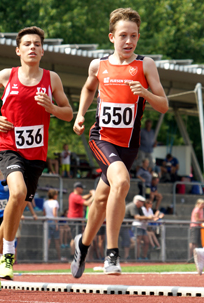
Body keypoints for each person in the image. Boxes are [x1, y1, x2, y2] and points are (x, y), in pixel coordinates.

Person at [71, 7, 168, 278]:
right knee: (123, 182)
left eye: (134, 36)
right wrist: (80, 115)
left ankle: (83, 244)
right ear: (111, 36)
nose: (129, 41)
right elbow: (89, 87)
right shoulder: (98, 65)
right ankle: (112, 255)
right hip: (102, 138)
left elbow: (163, 106)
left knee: (102, 199)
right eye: (123, 35)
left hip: (129, 146)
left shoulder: (145, 65)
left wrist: (146, 92)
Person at [0, 26, 73, 291]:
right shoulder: (6, 75)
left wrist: (52, 108)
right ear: (18, 50)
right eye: (27, 44)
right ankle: (9, 253)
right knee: (17, 192)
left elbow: (68, 112)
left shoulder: (51, 78)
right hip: (9, 146)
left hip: (36, 153)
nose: (32, 47)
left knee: (16, 207)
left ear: (43, 50)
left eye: (37, 44)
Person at [43, 189, 63, 261]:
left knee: (47, 240)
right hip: (53, 222)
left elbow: (44, 212)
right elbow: (54, 212)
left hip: (47, 221)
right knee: (57, 240)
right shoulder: (55, 202)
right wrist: (56, 223)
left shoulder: (45, 202)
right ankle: (59, 257)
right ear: (54, 195)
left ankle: (45, 258)